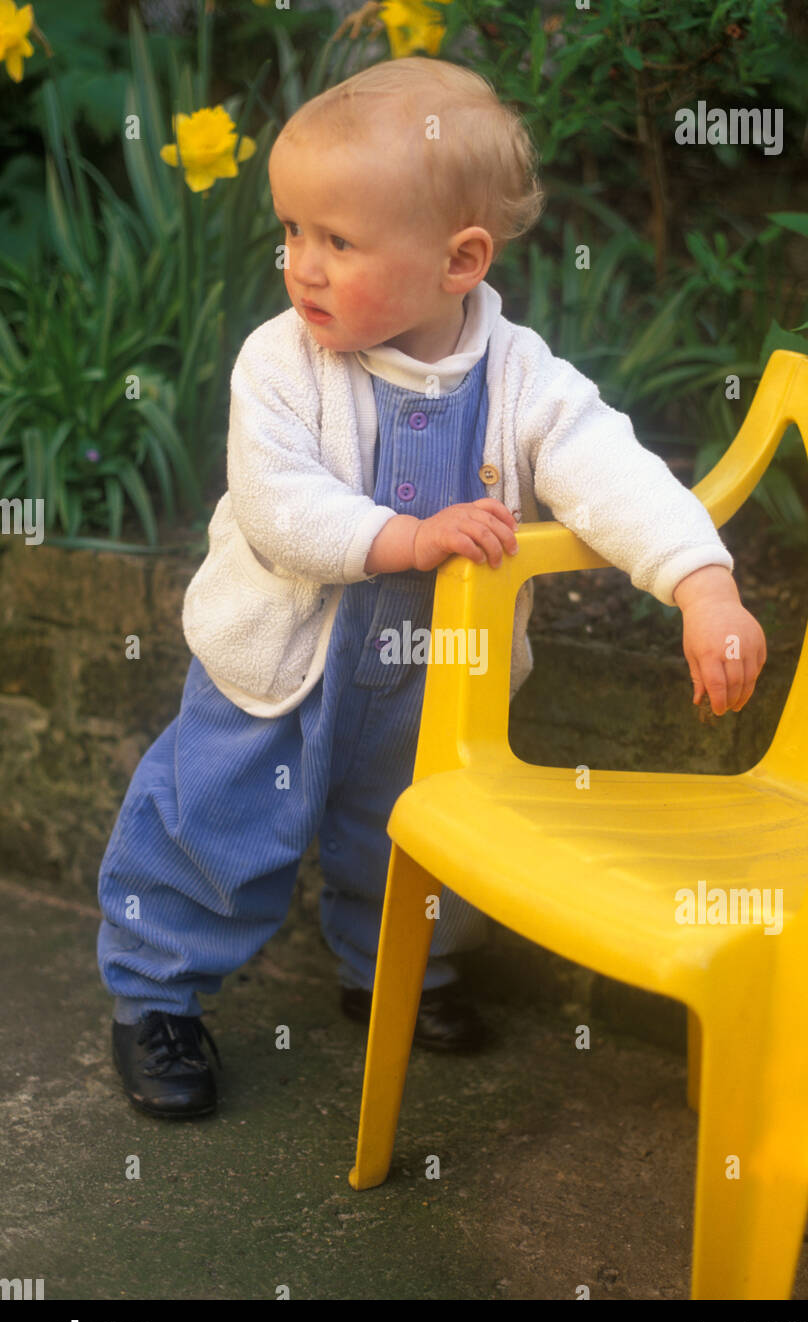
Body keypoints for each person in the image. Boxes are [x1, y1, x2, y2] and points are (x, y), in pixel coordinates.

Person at [97, 56, 766, 1118]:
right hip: (281, 662)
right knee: (211, 820)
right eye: (291, 234)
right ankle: (155, 994)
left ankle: (396, 975)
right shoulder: (280, 365)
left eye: (338, 241)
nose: (301, 267)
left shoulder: (521, 377)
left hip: (432, 677)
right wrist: (407, 537)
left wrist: (700, 582)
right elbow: (276, 505)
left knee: (413, 835)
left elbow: (608, 470)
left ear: (459, 261)